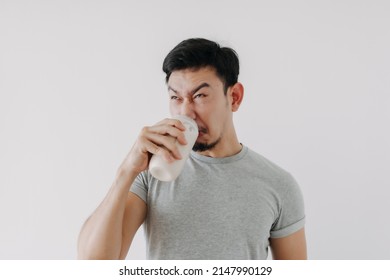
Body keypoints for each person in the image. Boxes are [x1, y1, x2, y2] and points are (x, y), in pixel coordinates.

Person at [77, 38, 307, 260]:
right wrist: (126, 171)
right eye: (176, 97)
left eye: (199, 96)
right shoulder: (151, 173)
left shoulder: (278, 184)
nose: (186, 112)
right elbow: (94, 263)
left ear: (234, 97)